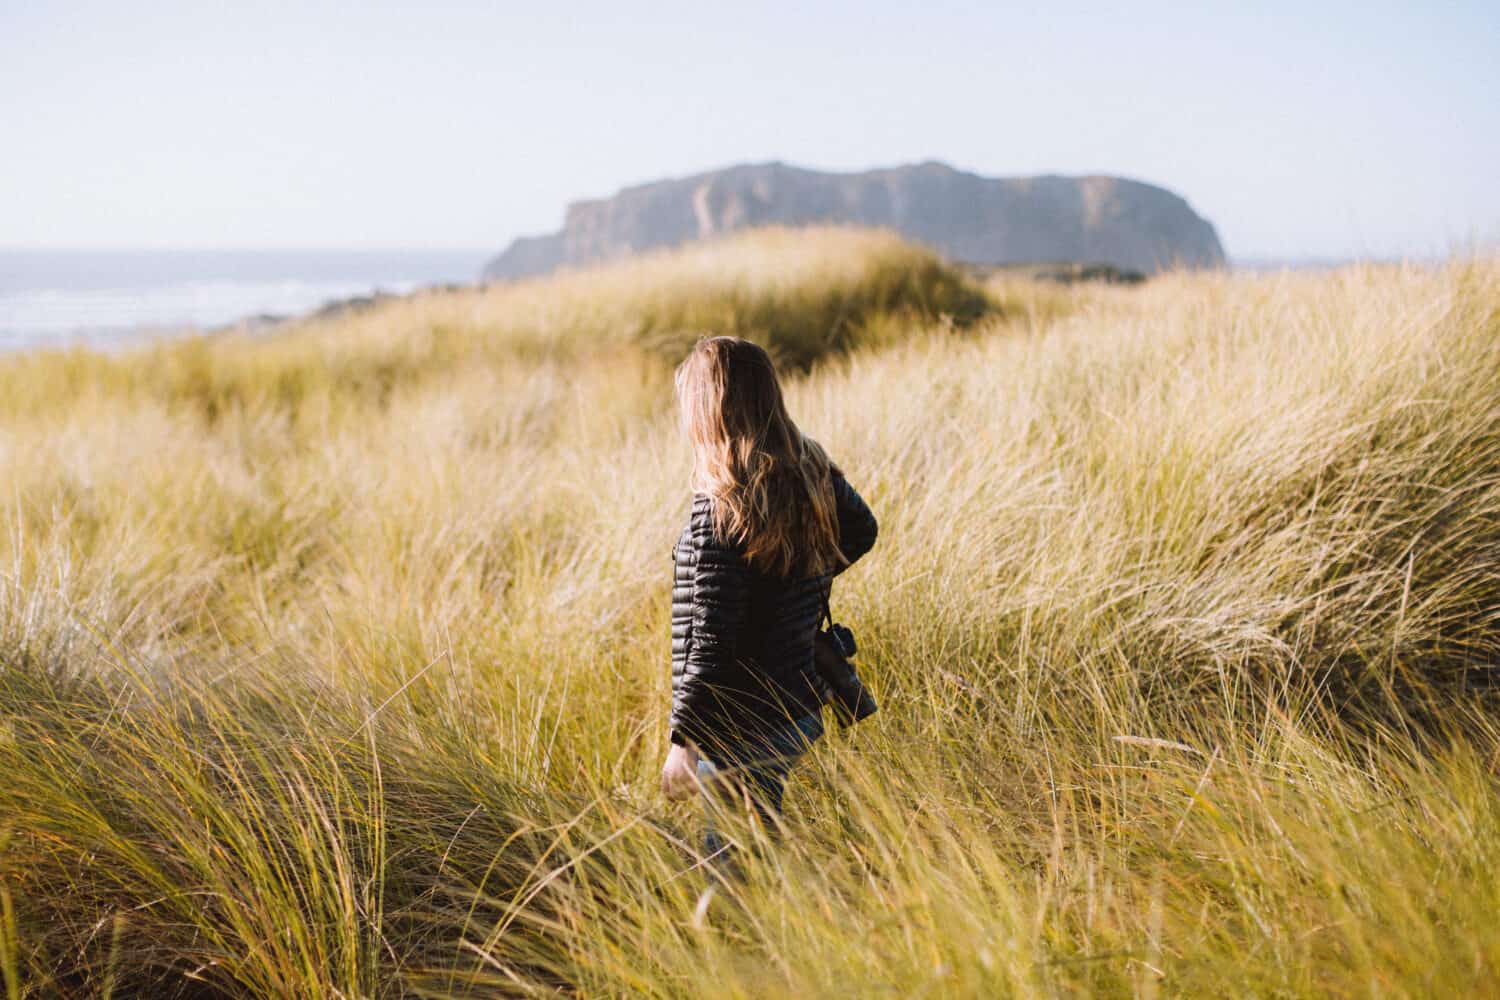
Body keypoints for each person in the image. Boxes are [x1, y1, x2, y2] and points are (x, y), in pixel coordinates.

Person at [660, 336, 878, 873]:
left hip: (742, 722)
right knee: (756, 845)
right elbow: (862, 528)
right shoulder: (809, 474)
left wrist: (682, 743)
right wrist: (792, 584)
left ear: (708, 411)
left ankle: (751, 950)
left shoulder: (718, 514)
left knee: (731, 871)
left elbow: (709, 645)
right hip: (794, 704)